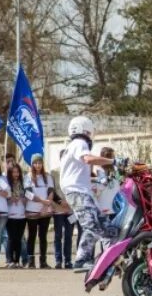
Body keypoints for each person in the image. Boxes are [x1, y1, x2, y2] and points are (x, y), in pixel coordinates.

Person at [60, 116, 125, 270]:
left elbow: (81, 170)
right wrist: (113, 162)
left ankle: (112, 258)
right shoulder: (79, 143)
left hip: (83, 191)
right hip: (77, 191)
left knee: (108, 229)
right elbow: (88, 159)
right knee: (92, 226)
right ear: (87, 130)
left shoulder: (72, 146)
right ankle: (82, 260)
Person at [24, 153, 54, 269]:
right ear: (32, 164)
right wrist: (43, 201)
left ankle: (43, 261)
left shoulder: (48, 177)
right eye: (35, 163)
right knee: (31, 236)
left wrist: (47, 204)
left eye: (39, 162)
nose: (38, 165)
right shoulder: (28, 177)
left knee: (43, 236)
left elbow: (51, 191)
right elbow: (28, 194)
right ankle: (31, 261)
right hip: (32, 211)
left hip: (45, 211)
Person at [6, 163, 26, 268]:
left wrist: (23, 199)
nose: (16, 174)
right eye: (13, 172)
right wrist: (10, 199)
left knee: (19, 238)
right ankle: (10, 260)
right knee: (11, 238)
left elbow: (28, 196)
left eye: (17, 172)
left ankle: (17, 260)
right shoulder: (7, 184)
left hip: (22, 215)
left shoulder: (23, 184)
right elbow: (4, 196)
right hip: (10, 214)